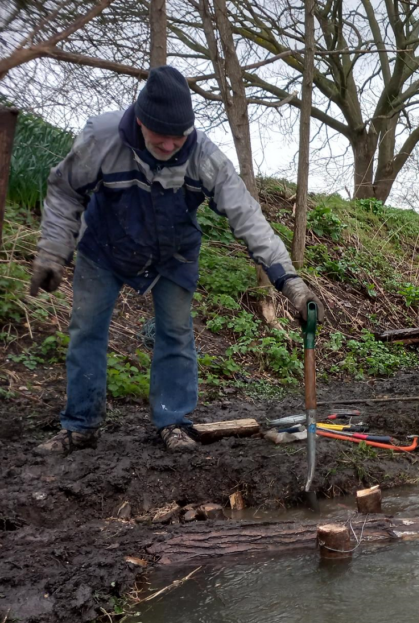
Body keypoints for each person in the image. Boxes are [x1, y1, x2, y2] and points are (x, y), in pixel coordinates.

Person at [28, 65, 316, 454]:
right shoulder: (102, 137)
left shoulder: (204, 156)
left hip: (174, 254)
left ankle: (173, 421)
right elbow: (65, 192)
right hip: (104, 249)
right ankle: (80, 425)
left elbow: (248, 217)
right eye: (160, 137)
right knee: (86, 330)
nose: (169, 146)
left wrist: (290, 282)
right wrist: (52, 251)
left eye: (178, 138)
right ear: (140, 120)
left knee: (176, 334)